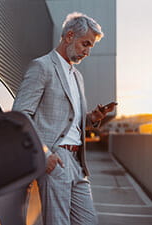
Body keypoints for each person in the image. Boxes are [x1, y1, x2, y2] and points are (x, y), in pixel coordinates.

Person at [12, 12, 116, 225]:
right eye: (85, 44)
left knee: (88, 222)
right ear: (69, 36)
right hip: (55, 158)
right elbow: (20, 115)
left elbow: (68, 119)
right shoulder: (42, 67)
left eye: (90, 47)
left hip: (78, 162)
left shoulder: (76, 76)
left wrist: (92, 118)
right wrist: (44, 153)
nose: (87, 52)